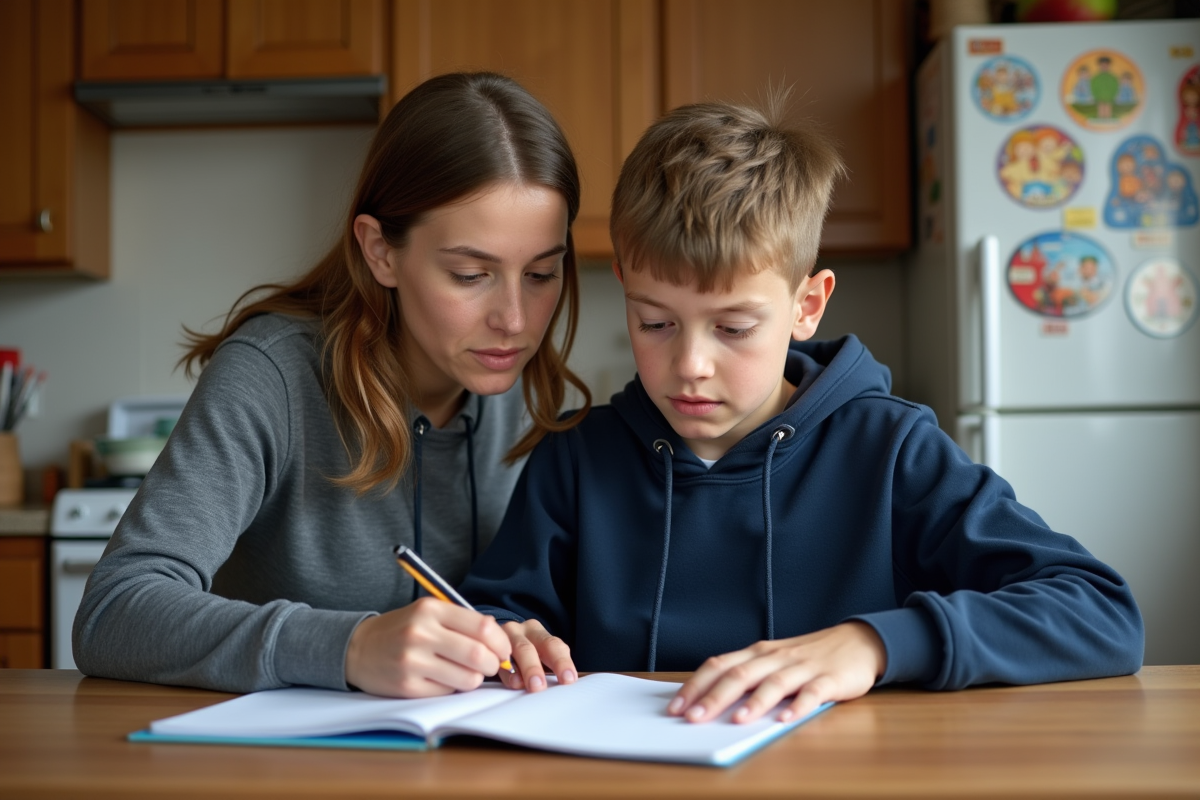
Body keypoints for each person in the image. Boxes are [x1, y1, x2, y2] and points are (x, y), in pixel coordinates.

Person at [459, 96, 1144, 724]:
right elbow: (500, 617)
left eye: (732, 328)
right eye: (655, 323)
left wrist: (874, 643)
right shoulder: (577, 459)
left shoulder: (892, 450)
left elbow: (1100, 612)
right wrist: (502, 638)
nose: (691, 363)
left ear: (806, 306)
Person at [73, 72, 592, 698]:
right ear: (381, 252)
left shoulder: (537, 402)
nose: (515, 320)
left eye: (541, 273)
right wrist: (347, 646)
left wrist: (520, 636)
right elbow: (113, 612)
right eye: (469, 273)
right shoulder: (271, 377)